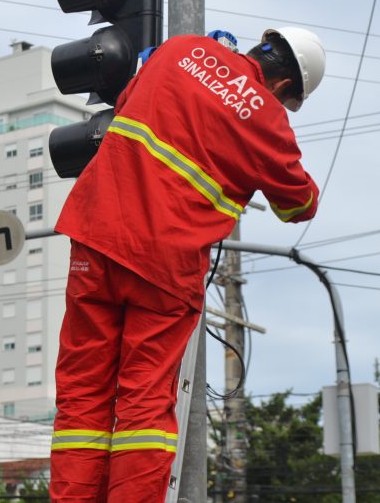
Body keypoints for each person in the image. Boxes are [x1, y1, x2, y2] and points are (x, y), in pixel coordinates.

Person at [49, 27, 327, 502]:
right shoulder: (268, 120)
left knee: (82, 395)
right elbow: (300, 205)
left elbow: (130, 100)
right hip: (165, 265)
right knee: (144, 405)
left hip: (97, 232)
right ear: (285, 87)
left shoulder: (182, 48)